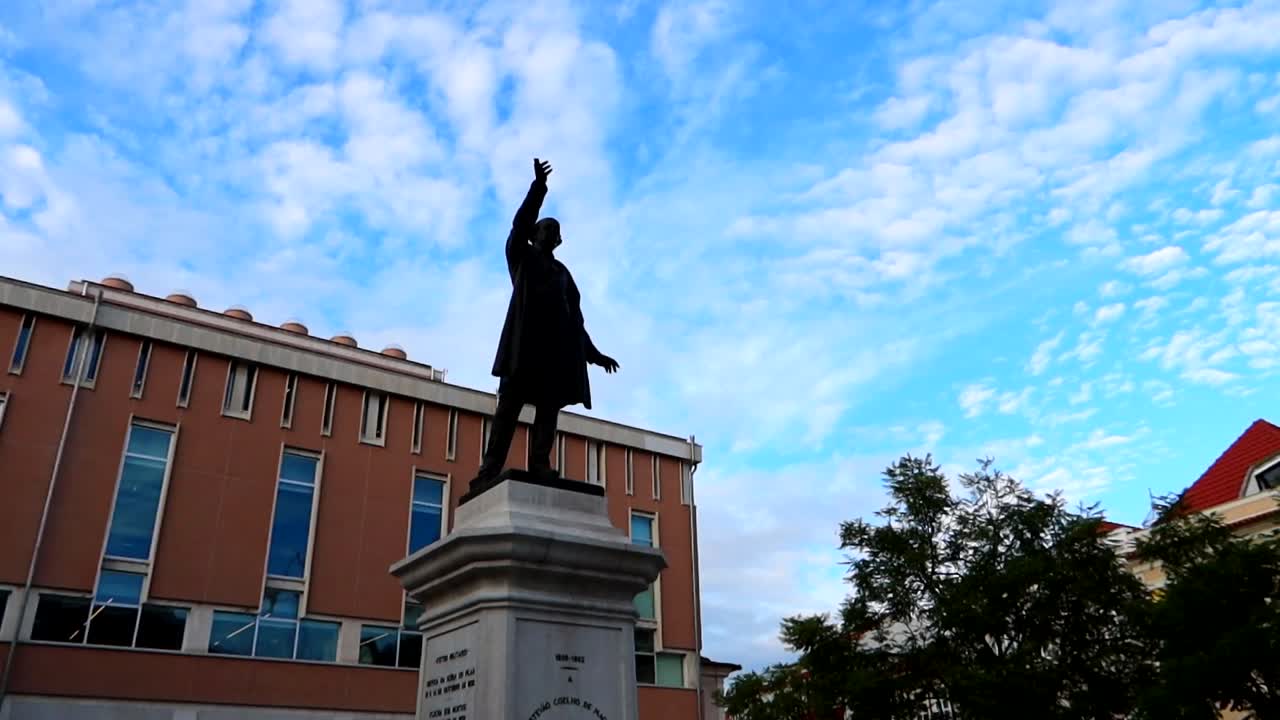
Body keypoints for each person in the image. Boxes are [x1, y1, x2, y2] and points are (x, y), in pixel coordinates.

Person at [471, 158, 619, 488]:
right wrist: (539, 188)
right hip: (523, 351)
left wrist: (594, 355)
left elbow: (575, 321)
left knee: (548, 413)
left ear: (559, 241)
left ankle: (540, 464)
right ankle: (489, 470)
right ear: (535, 234)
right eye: (546, 228)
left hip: (553, 357)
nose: (551, 233)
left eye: (555, 231)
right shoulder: (521, 258)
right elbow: (519, 225)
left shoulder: (564, 275)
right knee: (507, 411)